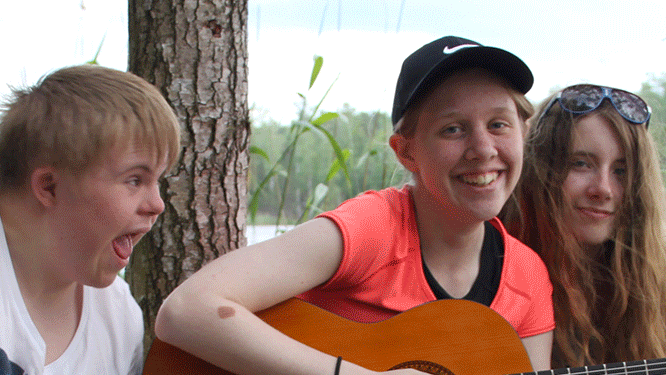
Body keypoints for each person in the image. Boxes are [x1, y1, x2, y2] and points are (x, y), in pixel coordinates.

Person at [155, 36, 554, 374]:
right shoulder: (375, 229)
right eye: (453, 128)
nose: (483, 149)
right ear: (406, 153)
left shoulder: (528, 279)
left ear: (523, 133)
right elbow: (187, 311)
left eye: (499, 124)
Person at [0, 65, 181, 375]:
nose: (157, 205)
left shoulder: (119, 317)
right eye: (135, 180)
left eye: (158, 181)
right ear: (49, 186)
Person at [502, 84, 666, 367]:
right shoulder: (491, 274)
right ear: (539, 171)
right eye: (581, 164)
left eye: (621, 171)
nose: (603, 189)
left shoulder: (655, 285)